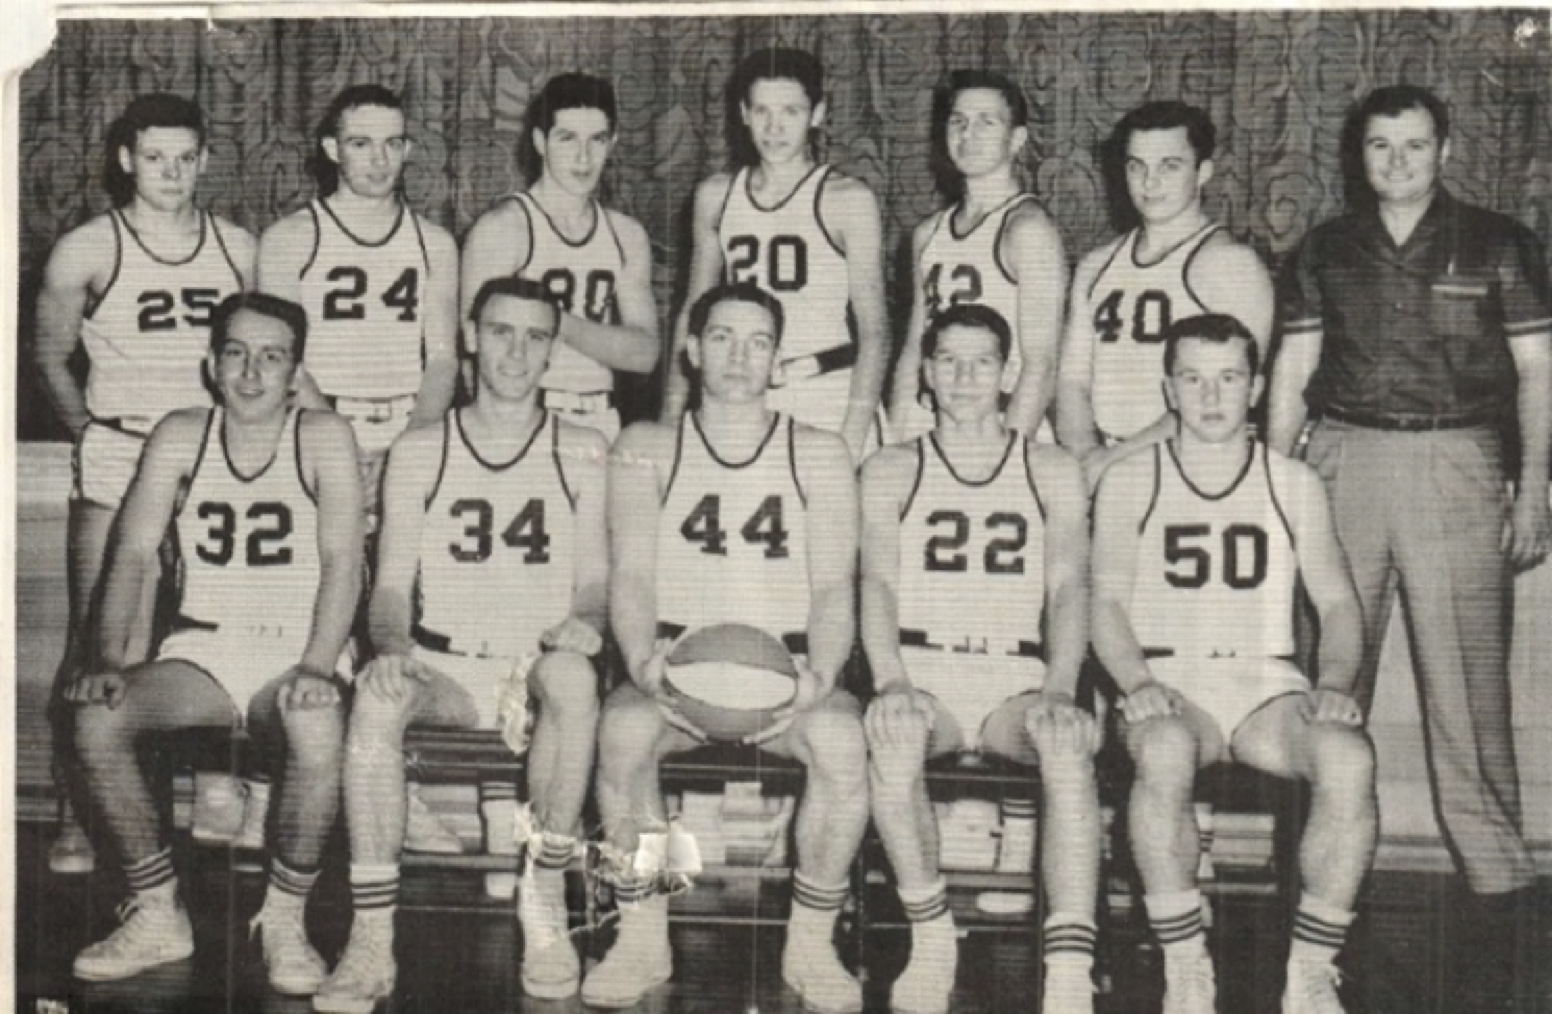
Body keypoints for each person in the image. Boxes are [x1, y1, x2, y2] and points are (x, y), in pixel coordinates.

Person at [1269, 84, 1551, 1009]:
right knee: (1326, 678)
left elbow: (1538, 371)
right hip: (1341, 458)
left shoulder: (1498, 242)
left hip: (1456, 459)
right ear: (1359, 155)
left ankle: (1500, 894)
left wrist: (1535, 485)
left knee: (1468, 689)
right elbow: (1293, 371)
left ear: (1445, 149)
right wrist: (1267, 488)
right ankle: (1319, 890)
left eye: (1415, 145)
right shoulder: (1324, 248)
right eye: (1380, 146)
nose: (1396, 161)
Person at [312, 277, 606, 1011]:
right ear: (471, 337)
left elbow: (595, 582)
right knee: (376, 701)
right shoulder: (420, 448)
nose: (517, 352)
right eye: (501, 331)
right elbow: (389, 587)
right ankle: (371, 938)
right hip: (445, 662)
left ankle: (544, 898)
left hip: (536, 662)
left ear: (553, 349)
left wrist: (584, 621)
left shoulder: (583, 447)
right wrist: (389, 647)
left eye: (536, 336)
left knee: (574, 678)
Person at [64, 293, 362, 994]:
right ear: (211, 364)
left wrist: (317, 666)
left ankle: (283, 920)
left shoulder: (323, 435)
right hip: (204, 647)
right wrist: (108, 658)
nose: (252, 373)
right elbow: (132, 553)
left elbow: (345, 562)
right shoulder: (180, 434)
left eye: (272, 357)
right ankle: (158, 912)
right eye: (237, 353)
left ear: (296, 372)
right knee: (96, 717)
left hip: (297, 646)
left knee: (316, 726)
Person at [586, 281, 868, 1011]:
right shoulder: (646, 446)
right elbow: (632, 575)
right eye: (721, 338)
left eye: (758, 342)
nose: (739, 357)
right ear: (690, 349)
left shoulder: (820, 451)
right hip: (678, 665)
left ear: (777, 358)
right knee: (622, 732)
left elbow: (833, 587)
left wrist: (820, 675)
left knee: (842, 740)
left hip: (785, 668)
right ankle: (642, 935)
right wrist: (643, 663)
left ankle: (811, 944)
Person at [1092, 313, 1375, 1014]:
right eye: (1192, 379)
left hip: (1264, 682)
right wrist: (1136, 681)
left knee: (1349, 758)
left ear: (1255, 386)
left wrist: (1334, 682)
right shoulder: (1131, 477)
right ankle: (1186, 964)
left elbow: (1339, 603)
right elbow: (1105, 604)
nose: (1211, 396)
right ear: (1169, 389)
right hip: (1169, 680)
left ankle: (1311, 971)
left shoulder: (1293, 482)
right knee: (1163, 749)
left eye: (1228, 378)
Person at [33, 92, 256, 873]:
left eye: (185, 158)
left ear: (205, 160)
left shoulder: (237, 247)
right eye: (155, 157)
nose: (171, 172)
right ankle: (76, 817)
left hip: (211, 456)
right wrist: (91, 432)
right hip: (123, 448)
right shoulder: (87, 249)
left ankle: (204, 803)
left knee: (210, 629)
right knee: (101, 635)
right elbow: (49, 357)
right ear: (126, 159)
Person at [862, 303, 1100, 1013]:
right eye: (949, 362)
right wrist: (891, 680)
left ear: (1007, 373)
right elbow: (876, 584)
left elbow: (1069, 588)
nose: (965, 378)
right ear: (926, 373)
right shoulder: (890, 467)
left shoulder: (1051, 468)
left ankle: (1069, 966)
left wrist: (1061, 686)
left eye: (982, 363)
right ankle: (932, 936)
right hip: (924, 669)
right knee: (894, 742)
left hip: (1014, 676)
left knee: (1066, 746)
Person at [664, 47, 887, 463]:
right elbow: (691, 312)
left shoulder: (847, 199)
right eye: (762, 111)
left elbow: (874, 330)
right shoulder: (715, 196)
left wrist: (853, 433)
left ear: (817, 114)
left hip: (826, 392)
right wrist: (671, 417)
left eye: (791, 112)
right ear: (743, 113)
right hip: (741, 393)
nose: (774, 128)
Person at [1057, 101, 1273, 489]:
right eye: (1136, 166)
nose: (1149, 182)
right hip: (1102, 462)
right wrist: (1086, 457)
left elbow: (1229, 394)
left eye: (1169, 166)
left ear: (1203, 172)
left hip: (1190, 465)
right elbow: (1071, 382)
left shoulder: (1230, 264)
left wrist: (1112, 461)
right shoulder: (1096, 265)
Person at [258, 83, 458, 496]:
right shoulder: (290, 238)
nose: (379, 160)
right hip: (317, 422)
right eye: (361, 144)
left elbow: (442, 362)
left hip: (409, 425)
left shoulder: (434, 243)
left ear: (408, 149)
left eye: (392, 144)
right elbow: (283, 360)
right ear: (333, 149)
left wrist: (408, 448)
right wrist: (339, 443)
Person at [460, 73, 659, 442]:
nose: (583, 157)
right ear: (540, 141)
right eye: (567, 138)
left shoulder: (626, 235)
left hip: (601, 419)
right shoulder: (504, 228)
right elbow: (474, 358)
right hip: (522, 418)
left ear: (613, 142)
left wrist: (550, 318)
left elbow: (643, 354)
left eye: (597, 140)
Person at [889, 70, 1067, 442]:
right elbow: (913, 350)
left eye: (987, 122)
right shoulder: (928, 233)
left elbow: (1041, 365)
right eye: (959, 121)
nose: (968, 135)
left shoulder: (1028, 230)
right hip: (930, 419)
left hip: (1001, 423)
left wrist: (1008, 456)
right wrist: (896, 439)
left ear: (1016, 139)